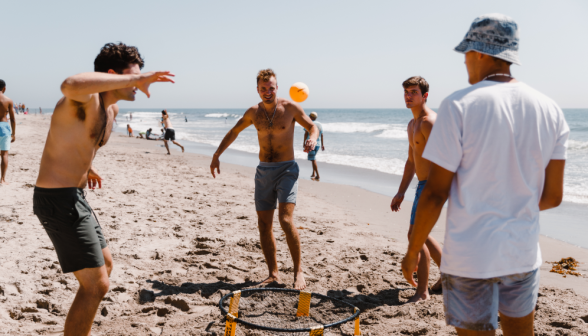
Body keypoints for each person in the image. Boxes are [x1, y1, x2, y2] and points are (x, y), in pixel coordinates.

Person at [401, 14, 569, 336]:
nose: (464, 61)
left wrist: (412, 252)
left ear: (480, 53)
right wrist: (511, 210)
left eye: (466, 53)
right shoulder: (550, 109)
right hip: (521, 252)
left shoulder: (457, 106)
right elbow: (553, 196)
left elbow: (436, 193)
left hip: (470, 257)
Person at [33, 42, 174, 336]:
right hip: (57, 199)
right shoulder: (86, 100)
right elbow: (69, 83)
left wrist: (88, 167)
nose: (139, 83)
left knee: (106, 266)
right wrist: (135, 79)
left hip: (76, 196)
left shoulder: (112, 110)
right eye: (133, 77)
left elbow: (79, 141)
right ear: (113, 75)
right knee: (96, 285)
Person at [210, 69, 318, 290]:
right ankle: (273, 274)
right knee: (264, 224)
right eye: (263, 88)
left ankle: (298, 272)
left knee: (285, 220)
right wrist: (216, 155)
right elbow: (234, 131)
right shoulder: (253, 112)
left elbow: (312, 126)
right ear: (257, 89)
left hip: (287, 169)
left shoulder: (290, 108)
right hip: (263, 172)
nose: (267, 92)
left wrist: (313, 139)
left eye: (271, 88)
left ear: (277, 87)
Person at [391, 76, 443, 303]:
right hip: (422, 184)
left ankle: (422, 292)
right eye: (406, 92)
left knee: (415, 235)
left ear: (425, 96)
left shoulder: (429, 122)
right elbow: (411, 162)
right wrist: (401, 191)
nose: (408, 96)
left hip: (433, 185)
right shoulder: (412, 124)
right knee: (421, 235)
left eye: (413, 92)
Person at [0, 79, 16, 185]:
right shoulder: (8, 100)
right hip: (4, 127)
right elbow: (13, 119)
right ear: (4, 88)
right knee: (4, 154)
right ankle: (2, 179)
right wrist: (13, 134)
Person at [303, 112, 324, 181]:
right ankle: (313, 173)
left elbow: (306, 134)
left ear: (311, 117)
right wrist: (322, 144)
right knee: (313, 159)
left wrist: (304, 143)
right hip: (318, 144)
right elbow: (322, 135)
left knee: (313, 159)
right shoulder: (320, 124)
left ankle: (318, 175)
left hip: (311, 144)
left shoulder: (309, 123)